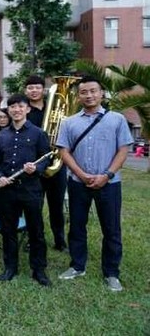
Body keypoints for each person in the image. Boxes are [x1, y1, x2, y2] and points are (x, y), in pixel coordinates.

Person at [56, 76, 133, 292]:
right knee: (77, 226)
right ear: (78, 96)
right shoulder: (69, 122)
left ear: (102, 93)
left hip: (109, 183)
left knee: (111, 229)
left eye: (93, 91)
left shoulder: (117, 119)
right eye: (84, 92)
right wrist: (80, 174)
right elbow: (64, 151)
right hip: (78, 183)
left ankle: (111, 273)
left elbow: (123, 150)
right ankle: (77, 265)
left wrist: (106, 175)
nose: (89, 95)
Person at [0, 94, 51, 286]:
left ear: (27, 109)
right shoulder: (1, 135)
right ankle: (10, 267)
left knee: (36, 230)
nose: (16, 110)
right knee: (8, 230)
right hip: (7, 190)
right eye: (13, 107)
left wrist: (37, 168)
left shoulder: (38, 133)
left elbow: (46, 159)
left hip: (31, 189)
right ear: (8, 110)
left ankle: (39, 270)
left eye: (20, 106)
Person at [25, 75, 68, 251]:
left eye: (37, 87)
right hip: (33, 165)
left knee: (56, 205)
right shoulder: (24, 111)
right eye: (30, 88)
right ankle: (33, 238)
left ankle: (60, 240)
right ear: (25, 91)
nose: (34, 91)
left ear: (43, 89)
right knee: (33, 205)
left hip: (56, 164)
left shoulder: (54, 110)